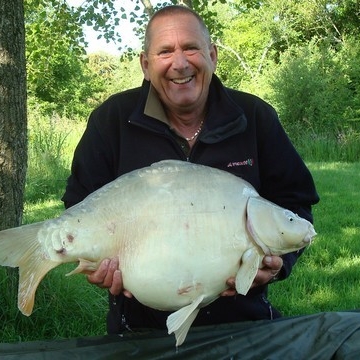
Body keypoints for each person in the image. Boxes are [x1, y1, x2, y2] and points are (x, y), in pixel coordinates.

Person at [62, 5, 360, 359]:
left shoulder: (254, 116)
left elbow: (295, 204)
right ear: (145, 64)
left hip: (244, 324)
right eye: (165, 52)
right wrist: (96, 264)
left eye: (190, 48)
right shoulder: (112, 121)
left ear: (212, 55)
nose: (180, 63)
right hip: (139, 327)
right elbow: (80, 206)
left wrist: (280, 264)